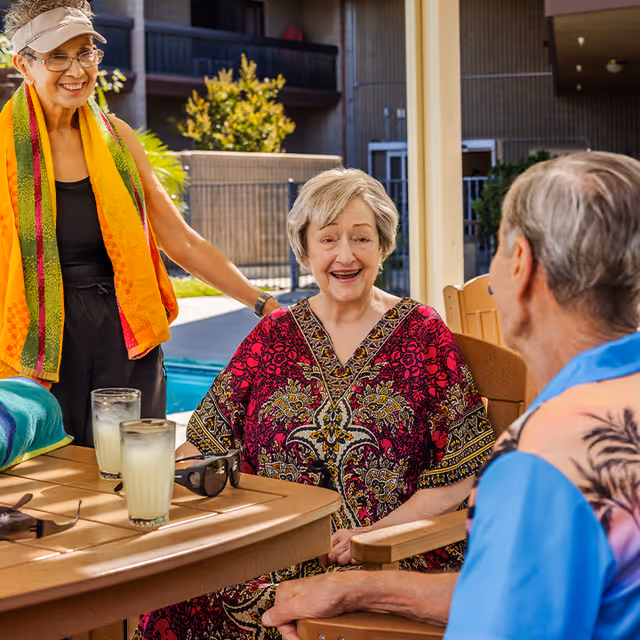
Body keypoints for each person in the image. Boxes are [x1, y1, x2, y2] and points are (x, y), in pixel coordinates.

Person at [262, 151, 640, 640]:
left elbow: (500, 624)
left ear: (520, 264)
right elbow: (516, 594)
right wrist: (356, 590)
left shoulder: (541, 463)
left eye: (496, 249)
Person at [134, 168, 495, 639]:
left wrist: (374, 536)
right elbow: (204, 444)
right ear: (305, 249)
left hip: (388, 555)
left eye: (361, 238)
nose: (345, 255)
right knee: (176, 595)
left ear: (383, 246)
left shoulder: (423, 333)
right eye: (328, 239)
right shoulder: (272, 336)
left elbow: (459, 472)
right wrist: (149, 485)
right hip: (269, 552)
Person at [0, 0, 279, 447]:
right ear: (23, 64)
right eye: (57, 55)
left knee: (135, 479)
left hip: (126, 338)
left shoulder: (119, 139)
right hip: (44, 352)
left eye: (86, 52)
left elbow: (182, 242)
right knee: (53, 487)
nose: (76, 69)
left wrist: (263, 304)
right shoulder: (3, 151)